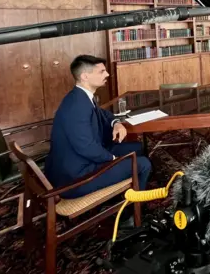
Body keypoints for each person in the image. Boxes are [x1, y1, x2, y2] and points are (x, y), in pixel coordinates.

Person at [45, 55, 152, 199]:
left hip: (82, 161)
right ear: (85, 76)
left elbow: (102, 113)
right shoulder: (77, 106)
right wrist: (113, 159)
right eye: (102, 71)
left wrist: (116, 123)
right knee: (144, 164)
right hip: (76, 178)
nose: (107, 74)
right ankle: (134, 208)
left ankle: (126, 189)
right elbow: (86, 147)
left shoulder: (81, 96)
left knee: (137, 148)